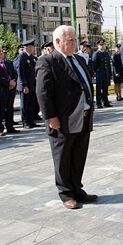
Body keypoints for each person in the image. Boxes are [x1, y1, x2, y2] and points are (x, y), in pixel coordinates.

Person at [36, 25, 97, 210]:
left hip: (83, 116)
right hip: (62, 119)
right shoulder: (48, 61)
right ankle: (65, 193)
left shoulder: (78, 59)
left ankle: (77, 189)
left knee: (78, 156)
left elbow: (85, 84)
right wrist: (51, 117)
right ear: (57, 42)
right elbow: (43, 92)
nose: (73, 43)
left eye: (74, 40)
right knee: (62, 157)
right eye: (68, 40)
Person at [0, 45, 19, 135]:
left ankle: (10, 126)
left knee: (9, 109)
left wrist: (13, 82)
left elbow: (14, 73)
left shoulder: (8, 63)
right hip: (0, 90)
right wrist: (8, 83)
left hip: (10, 89)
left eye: (2, 51)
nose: (1, 53)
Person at [16, 38, 38, 128]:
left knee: (31, 103)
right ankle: (25, 122)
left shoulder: (31, 57)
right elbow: (20, 72)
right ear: (29, 47)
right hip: (25, 85)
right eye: (33, 47)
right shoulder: (22, 57)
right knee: (25, 104)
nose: (34, 49)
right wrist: (24, 85)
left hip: (32, 84)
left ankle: (31, 120)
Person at [91, 39, 113, 109]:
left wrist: (110, 74)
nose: (102, 46)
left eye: (103, 45)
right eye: (101, 45)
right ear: (98, 46)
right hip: (99, 74)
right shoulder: (96, 54)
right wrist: (95, 73)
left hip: (105, 74)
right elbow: (94, 65)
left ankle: (105, 101)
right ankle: (98, 103)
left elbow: (108, 65)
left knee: (105, 88)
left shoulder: (106, 53)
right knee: (99, 89)